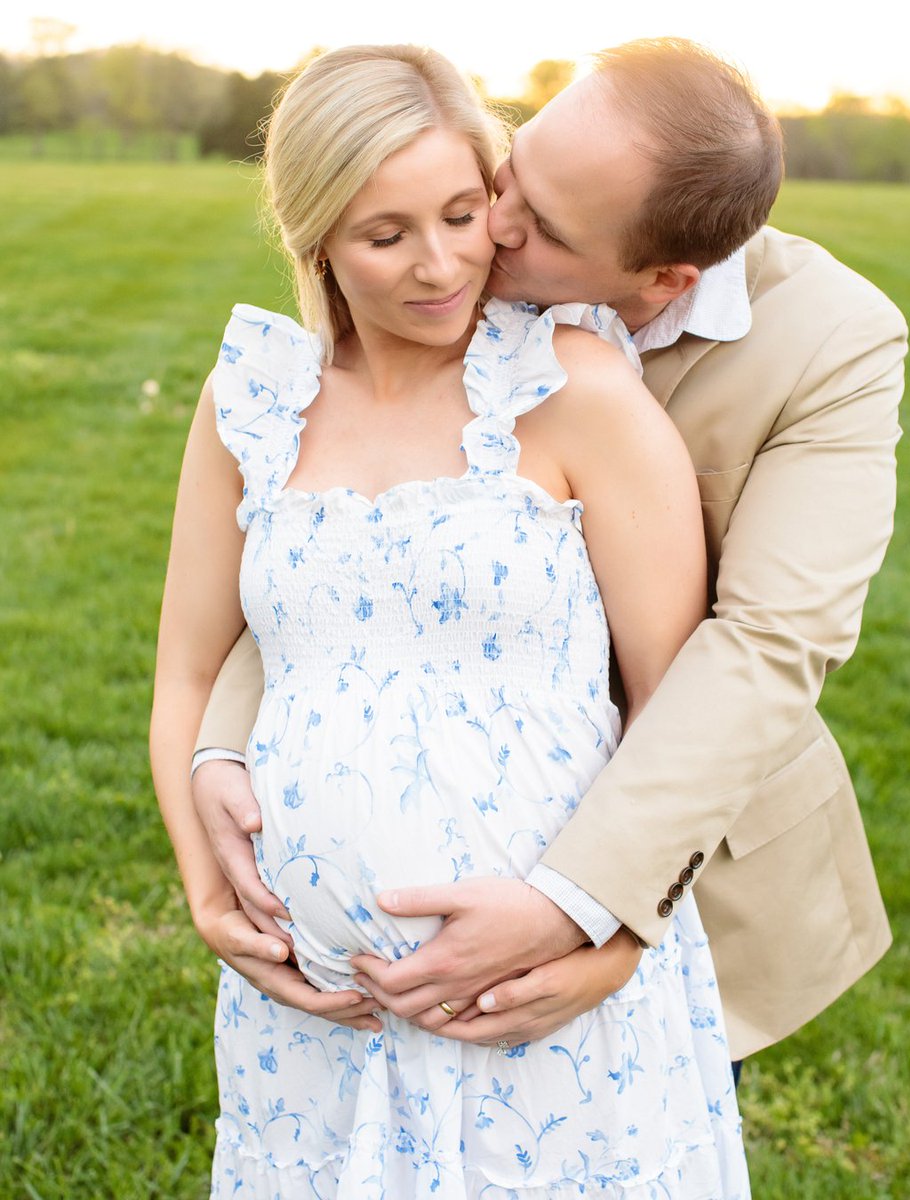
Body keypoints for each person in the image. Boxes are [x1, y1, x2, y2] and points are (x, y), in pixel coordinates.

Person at [193, 37, 907, 1068]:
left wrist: (599, 913)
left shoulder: (830, 343)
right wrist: (225, 739)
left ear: (663, 279)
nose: (495, 224)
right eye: (515, 165)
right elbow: (366, 524)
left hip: (662, 830)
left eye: (547, 228)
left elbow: (767, 646)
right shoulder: (465, 265)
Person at [151, 43, 750, 1198]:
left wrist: (606, 934)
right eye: (387, 235)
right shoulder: (253, 402)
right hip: (315, 1019)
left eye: (465, 213)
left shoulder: (577, 393)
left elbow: (680, 710)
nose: (441, 266)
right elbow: (187, 675)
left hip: (545, 1000)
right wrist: (207, 886)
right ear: (315, 235)